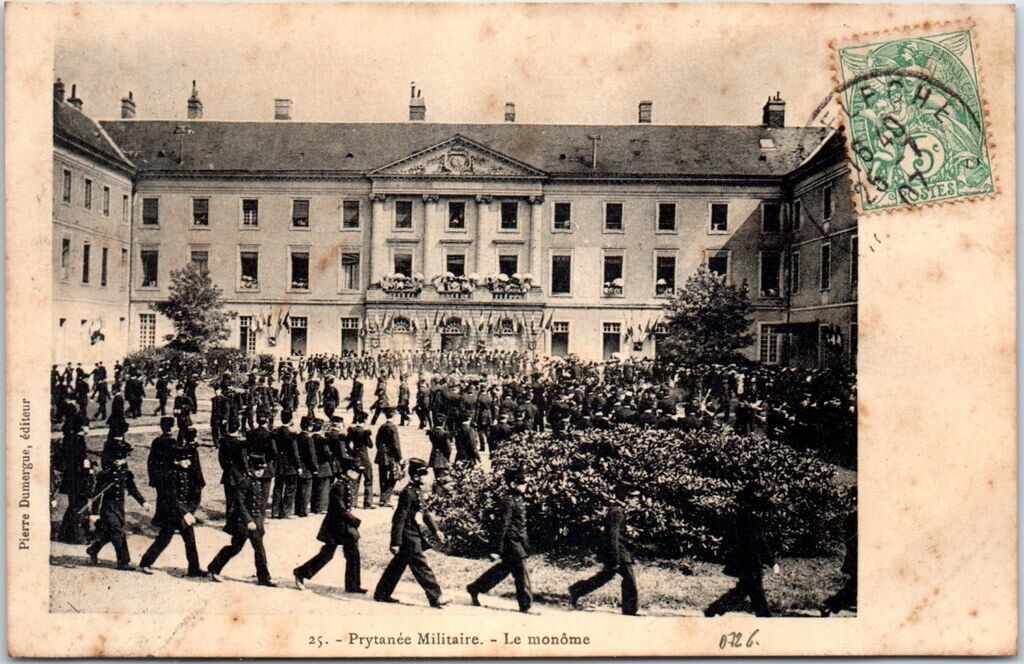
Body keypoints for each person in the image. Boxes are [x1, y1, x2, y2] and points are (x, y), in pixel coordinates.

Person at [373, 458, 448, 608]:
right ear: (415, 476)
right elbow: (398, 519)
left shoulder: (417, 491)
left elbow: (425, 513)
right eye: (424, 475)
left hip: (413, 532)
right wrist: (395, 542)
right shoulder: (407, 493)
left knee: (398, 565)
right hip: (408, 535)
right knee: (421, 565)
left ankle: (382, 593)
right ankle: (436, 596)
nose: (427, 478)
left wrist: (436, 530)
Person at [139, 421, 206, 577]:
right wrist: (185, 513)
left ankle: (194, 569)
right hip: (172, 513)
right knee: (164, 539)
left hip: (183, 513)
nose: (189, 462)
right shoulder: (170, 476)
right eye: (185, 460)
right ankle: (145, 563)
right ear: (177, 461)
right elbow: (172, 497)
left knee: (190, 541)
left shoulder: (189, 474)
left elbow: (194, 494)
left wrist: (190, 511)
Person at [293, 456, 366, 593]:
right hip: (335, 526)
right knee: (327, 555)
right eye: (356, 471)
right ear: (348, 471)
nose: (358, 474)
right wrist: (354, 520)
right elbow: (340, 509)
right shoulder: (339, 486)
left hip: (345, 526)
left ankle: (353, 586)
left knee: (353, 554)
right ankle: (301, 573)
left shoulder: (346, 483)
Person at [704, 483, 778, 617]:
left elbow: (759, 543)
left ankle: (714, 610)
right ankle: (765, 616)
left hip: (745, 561)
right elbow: (760, 543)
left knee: (744, 590)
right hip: (749, 561)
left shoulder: (739, 519)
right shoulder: (749, 520)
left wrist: (771, 562)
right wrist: (772, 562)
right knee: (754, 589)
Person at [208, 439, 275, 587]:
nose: (259, 473)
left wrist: (258, 522)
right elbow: (239, 504)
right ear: (250, 468)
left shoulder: (259, 482)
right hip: (243, 523)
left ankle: (264, 578)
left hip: (255, 522)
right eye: (257, 470)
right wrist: (249, 520)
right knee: (235, 548)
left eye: (261, 470)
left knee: (259, 549)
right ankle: (214, 567)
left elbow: (260, 505)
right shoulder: (244, 482)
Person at [467, 468, 533, 613]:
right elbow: (501, 527)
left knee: (502, 571)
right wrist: (496, 549)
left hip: (518, 542)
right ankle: (525, 606)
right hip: (511, 543)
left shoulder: (518, 499)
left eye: (525, 483)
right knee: (522, 571)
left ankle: (475, 588)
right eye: (521, 483)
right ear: (512, 484)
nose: (525, 486)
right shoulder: (508, 502)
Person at [568, 484, 640, 615]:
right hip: (617, 551)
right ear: (626, 497)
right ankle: (630, 610)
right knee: (629, 579)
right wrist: (615, 557)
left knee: (605, 576)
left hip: (617, 550)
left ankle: (577, 590)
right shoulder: (617, 512)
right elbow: (612, 537)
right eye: (634, 497)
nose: (636, 500)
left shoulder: (618, 510)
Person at [86, 437, 151, 570]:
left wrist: (143, 502)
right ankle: (123, 562)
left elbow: (132, 489)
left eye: (121, 458)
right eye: (115, 457)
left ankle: (93, 549)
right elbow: (97, 495)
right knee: (118, 532)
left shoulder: (126, 474)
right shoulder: (105, 475)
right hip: (108, 509)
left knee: (110, 534)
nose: (118, 460)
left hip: (119, 508)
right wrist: (94, 513)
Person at [56, 420, 94, 544]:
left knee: (74, 505)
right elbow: (80, 461)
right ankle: (77, 535)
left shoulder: (71, 440)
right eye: (85, 426)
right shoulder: (78, 442)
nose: (88, 428)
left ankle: (64, 534)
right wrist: (88, 468)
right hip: (78, 479)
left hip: (71, 479)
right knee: (79, 505)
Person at [821, 507, 857, 616]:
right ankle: (831, 605)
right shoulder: (854, 517)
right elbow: (851, 542)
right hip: (858, 558)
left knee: (855, 585)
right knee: (854, 586)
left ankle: (831, 605)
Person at [271, 411, 301, 519]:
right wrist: (298, 466)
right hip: (290, 466)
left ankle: (274, 511)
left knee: (278, 488)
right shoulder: (292, 436)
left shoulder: (275, 433)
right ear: (291, 420)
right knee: (290, 488)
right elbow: (295, 453)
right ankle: (285, 512)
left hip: (278, 464)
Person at [374, 409, 402, 507]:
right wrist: (399, 457)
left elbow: (377, 441)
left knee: (382, 476)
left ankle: (382, 498)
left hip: (381, 455)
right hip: (391, 456)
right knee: (394, 476)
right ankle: (386, 498)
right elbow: (396, 444)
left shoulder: (382, 426)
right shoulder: (393, 427)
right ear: (393, 416)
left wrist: (381, 450)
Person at [347, 413, 374, 509]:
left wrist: (352, 453)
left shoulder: (352, 430)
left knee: (355, 479)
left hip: (355, 456)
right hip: (364, 457)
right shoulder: (365, 432)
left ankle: (352, 502)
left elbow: (347, 444)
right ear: (365, 420)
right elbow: (370, 445)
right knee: (368, 479)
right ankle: (368, 503)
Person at [294, 416, 319, 517]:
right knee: (306, 490)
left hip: (299, 466)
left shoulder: (297, 436)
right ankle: (303, 511)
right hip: (307, 467)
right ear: (309, 427)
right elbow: (312, 456)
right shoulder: (309, 439)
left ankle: (297, 509)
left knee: (299, 490)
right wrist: (315, 468)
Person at [426, 414, 452, 485]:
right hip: (442, 458)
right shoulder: (444, 434)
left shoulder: (432, 432)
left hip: (434, 456)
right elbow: (449, 448)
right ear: (443, 423)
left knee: (437, 478)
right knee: (442, 480)